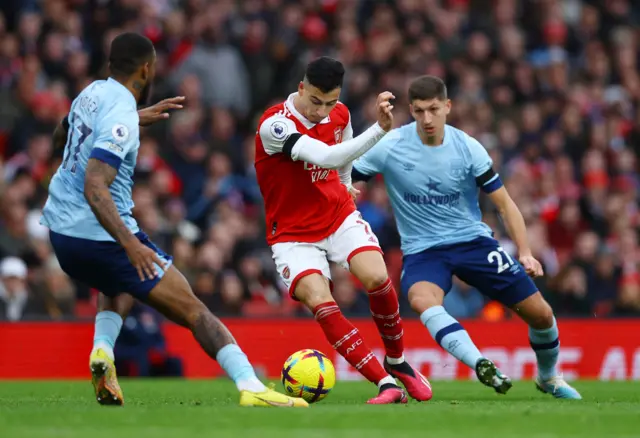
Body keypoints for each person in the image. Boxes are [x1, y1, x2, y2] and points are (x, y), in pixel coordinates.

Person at [41, 32, 307, 408]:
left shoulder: (90, 93)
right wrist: (131, 246)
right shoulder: (120, 114)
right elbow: (95, 186)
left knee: (116, 283)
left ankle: (102, 351)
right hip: (98, 234)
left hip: (60, 233)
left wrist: (132, 119)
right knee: (193, 308)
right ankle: (252, 386)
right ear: (147, 69)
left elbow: (61, 135)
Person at [351, 75, 582, 400]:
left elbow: (504, 204)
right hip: (424, 250)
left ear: (447, 107)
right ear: (411, 111)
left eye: (433, 109)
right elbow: (343, 177)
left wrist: (526, 251)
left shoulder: (468, 147)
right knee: (421, 300)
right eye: (419, 111)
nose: (427, 119)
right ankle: (480, 363)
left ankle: (548, 378)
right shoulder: (390, 146)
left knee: (541, 314)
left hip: (473, 243)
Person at [254, 57, 432, 405]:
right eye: (315, 101)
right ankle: (385, 384)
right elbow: (328, 157)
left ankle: (398, 363)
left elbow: (343, 153)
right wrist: (379, 129)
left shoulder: (341, 114)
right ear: (301, 88)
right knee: (322, 301)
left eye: (330, 102)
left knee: (378, 278)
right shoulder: (274, 125)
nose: (322, 111)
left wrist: (347, 184)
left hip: (336, 215)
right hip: (292, 234)